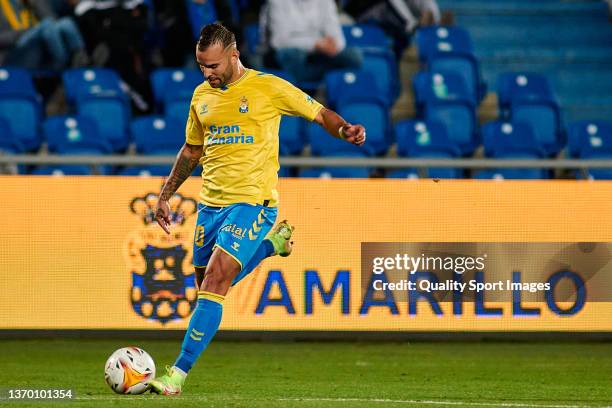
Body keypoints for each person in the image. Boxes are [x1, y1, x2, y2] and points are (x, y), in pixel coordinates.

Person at [149, 23, 366, 395]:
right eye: (202, 66)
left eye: (214, 65)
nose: (208, 73)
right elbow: (192, 151)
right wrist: (165, 194)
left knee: (216, 278)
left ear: (234, 55)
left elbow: (318, 112)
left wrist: (345, 129)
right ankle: (271, 246)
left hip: (254, 201)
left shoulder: (269, 87)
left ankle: (176, 374)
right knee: (209, 287)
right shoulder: (201, 96)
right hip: (211, 205)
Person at [261, 0, 362, 83]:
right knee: (291, 54)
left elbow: (338, 38)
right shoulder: (276, 2)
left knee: (353, 55)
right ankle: (309, 91)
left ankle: (323, 88)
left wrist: (333, 46)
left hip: (319, 55)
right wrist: (315, 44)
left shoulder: (326, 2)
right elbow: (279, 42)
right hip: (288, 56)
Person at [0, 0, 85, 70]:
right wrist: (22, 32)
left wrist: (35, 3)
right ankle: (63, 65)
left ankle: (81, 57)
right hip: (12, 51)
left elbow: (52, 21)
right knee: (46, 25)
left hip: (40, 41)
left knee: (67, 23)